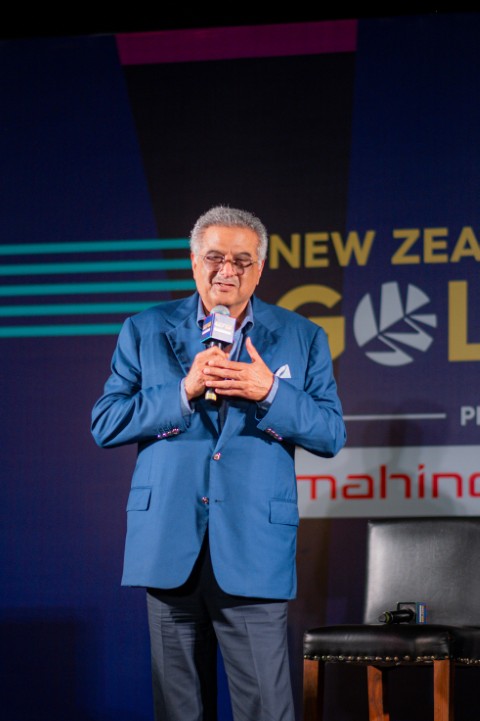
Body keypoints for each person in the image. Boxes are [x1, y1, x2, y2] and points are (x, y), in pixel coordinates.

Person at [91, 205, 346, 721]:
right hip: (168, 543)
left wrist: (270, 391)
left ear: (260, 269)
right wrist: (183, 390)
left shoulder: (301, 336)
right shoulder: (144, 329)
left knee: (265, 709)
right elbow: (106, 422)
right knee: (179, 710)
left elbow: (330, 434)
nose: (227, 270)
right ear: (193, 262)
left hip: (254, 548)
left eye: (242, 260)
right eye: (214, 258)